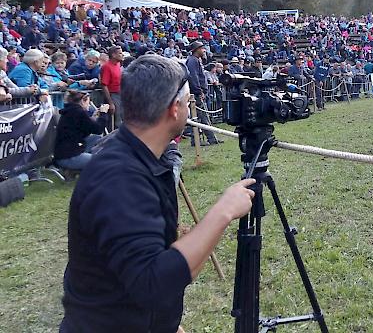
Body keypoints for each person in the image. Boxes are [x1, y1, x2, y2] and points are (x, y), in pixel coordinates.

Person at [60, 55, 256, 333]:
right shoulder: (119, 178)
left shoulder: (139, 155)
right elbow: (152, 283)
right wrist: (223, 212)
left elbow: (147, 262)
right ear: (174, 108)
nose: (189, 109)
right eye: (188, 103)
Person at [54, 91, 109, 171]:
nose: (89, 105)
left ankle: (90, 158)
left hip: (69, 150)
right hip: (68, 156)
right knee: (103, 161)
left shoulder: (71, 111)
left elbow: (84, 129)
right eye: (88, 102)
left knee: (96, 138)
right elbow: (98, 129)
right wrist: (103, 114)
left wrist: (94, 118)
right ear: (83, 101)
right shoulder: (78, 112)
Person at [185, 41, 219, 146]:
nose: (204, 50)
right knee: (198, 117)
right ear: (196, 49)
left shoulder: (196, 60)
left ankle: (211, 138)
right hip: (195, 93)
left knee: (202, 117)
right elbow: (193, 77)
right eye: (202, 48)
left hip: (198, 92)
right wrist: (199, 91)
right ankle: (197, 140)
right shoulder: (192, 61)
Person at [100, 45, 124, 131]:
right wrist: (110, 103)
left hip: (120, 94)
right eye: (120, 53)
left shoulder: (118, 64)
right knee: (115, 121)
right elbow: (104, 85)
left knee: (121, 118)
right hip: (113, 95)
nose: (122, 55)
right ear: (113, 55)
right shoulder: (107, 67)